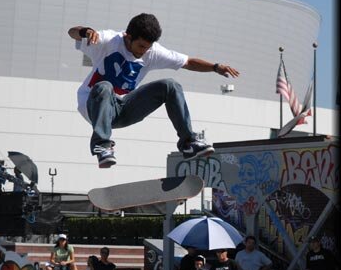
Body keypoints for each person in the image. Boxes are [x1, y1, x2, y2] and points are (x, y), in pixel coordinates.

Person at [68, 13, 239, 168]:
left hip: (124, 108)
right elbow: (71, 32)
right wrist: (85, 31)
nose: (144, 52)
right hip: (94, 106)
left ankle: (188, 143)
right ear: (128, 37)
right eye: (141, 46)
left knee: (170, 86)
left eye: (148, 47)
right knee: (105, 87)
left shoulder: (152, 52)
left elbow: (188, 62)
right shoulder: (107, 40)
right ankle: (102, 146)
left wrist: (215, 67)